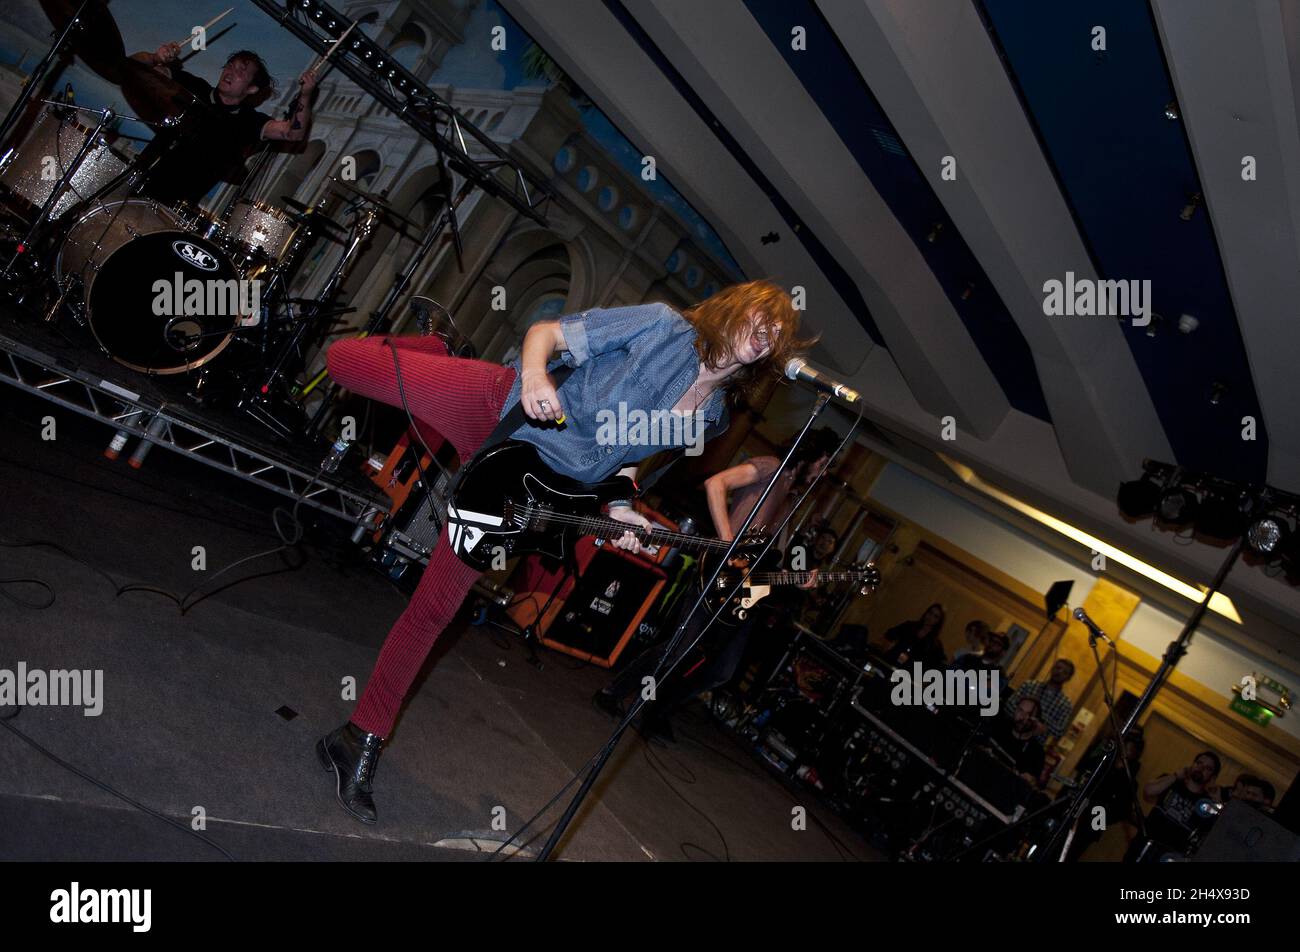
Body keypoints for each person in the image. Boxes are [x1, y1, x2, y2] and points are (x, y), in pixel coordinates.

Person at [317, 280, 811, 822]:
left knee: (435, 608)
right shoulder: (663, 326)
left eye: (776, 336)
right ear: (733, 311)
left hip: (525, 485)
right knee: (342, 361)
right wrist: (534, 376)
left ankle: (357, 737)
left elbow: (624, 460)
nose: (764, 339)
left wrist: (621, 508)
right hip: (502, 410)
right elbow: (547, 333)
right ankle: (436, 348)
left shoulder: (712, 415)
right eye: (760, 323)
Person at [128, 44, 318, 206]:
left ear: (252, 88)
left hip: (175, 206)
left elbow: (292, 134)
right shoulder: (195, 87)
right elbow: (131, 68)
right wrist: (155, 57)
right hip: (140, 179)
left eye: (241, 71)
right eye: (230, 65)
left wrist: (306, 95)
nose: (230, 72)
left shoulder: (248, 121)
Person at [1126, 750, 1222, 861]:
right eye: (1199, 763)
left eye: (1208, 768)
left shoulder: (1206, 804)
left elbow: (1214, 835)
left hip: (1168, 857)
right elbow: (1148, 792)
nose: (1201, 768)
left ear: (1212, 777)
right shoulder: (1171, 781)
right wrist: (1175, 776)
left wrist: (1217, 801)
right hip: (1143, 846)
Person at [1010, 658, 1075, 741]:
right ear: (1052, 668)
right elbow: (1009, 704)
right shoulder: (1029, 685)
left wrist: (1035, 715)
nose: (1059, 672)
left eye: (1065, 672)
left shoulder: (1065, 705)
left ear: (1068, 678)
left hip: (1034, 745)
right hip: (1011, 731)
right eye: (1058, 668)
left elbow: (1059, 732)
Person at [882, 603, 947, 668]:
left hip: (908, 673)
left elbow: (941, 662)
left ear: (938, 621)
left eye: (935, 616)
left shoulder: (935, 644)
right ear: (926, 613)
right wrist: (886, 648)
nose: (930, 617)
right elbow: (890, 634)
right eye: (930, 613)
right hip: (890, 662)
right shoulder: (909, 626)